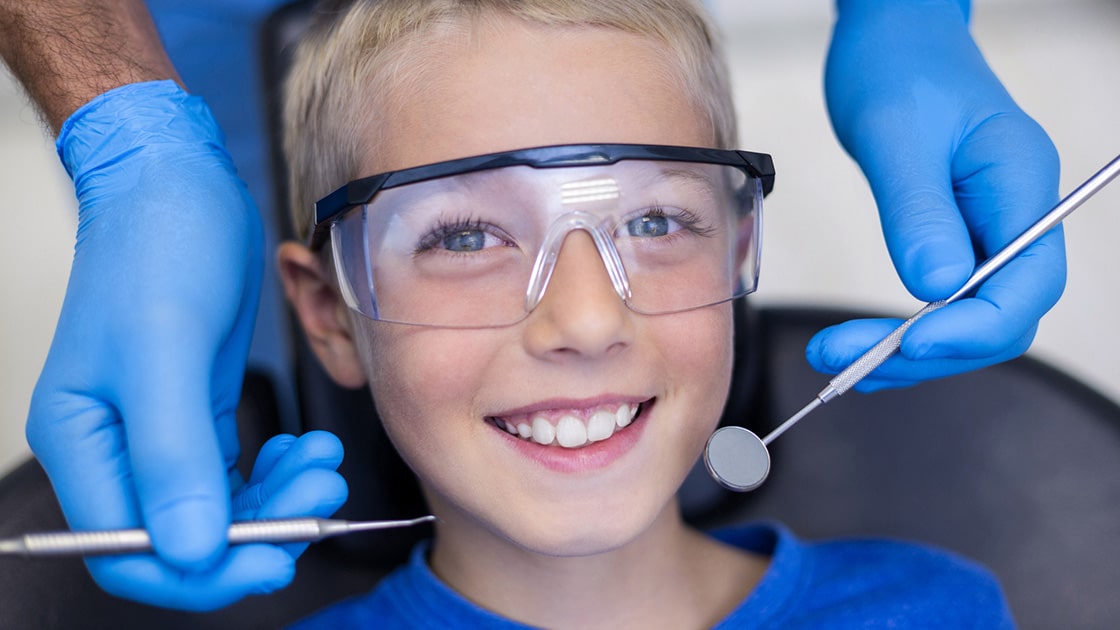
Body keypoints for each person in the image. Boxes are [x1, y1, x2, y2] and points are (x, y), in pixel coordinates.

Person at [0, 0, 1063, 611]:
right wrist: (128, 142)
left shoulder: (934, 609)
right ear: (328, 313)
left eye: (653, 222)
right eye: (463, 235)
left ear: (742, 245)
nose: (588, 321)